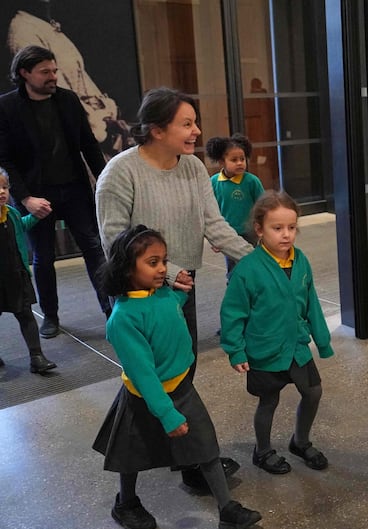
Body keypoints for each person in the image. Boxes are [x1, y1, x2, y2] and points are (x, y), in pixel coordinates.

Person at [95, 87, 253, 491]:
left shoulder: (193, 168)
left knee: (182, 373)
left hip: (181, 288)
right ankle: (127, 491)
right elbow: (115, 241)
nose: (197, 131)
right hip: (140, 297)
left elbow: (213, 224)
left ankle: (188, 463)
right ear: (157, 129)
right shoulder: (120, 172)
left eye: (194, 122)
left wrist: (257, 260)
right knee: (145, 384)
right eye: (187, 123)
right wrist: (169, 272)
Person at [92, 225, 262, 529]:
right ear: (128, 268)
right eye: (153, 262)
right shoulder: (124, 319)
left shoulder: (162, 295)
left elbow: (167, 313)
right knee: (132, 455)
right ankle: (126, 502)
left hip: (182, 387)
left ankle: (227, 509)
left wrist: (180, 295)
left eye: (163, 260)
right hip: (144, 398)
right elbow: (144, 374)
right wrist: (167, 413)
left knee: (206, 447)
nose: (162, 269)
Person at [0, 45, 111, 338]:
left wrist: (104, 181)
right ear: (25, 73)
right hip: (35, 195)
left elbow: (88, 144)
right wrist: (25, 198)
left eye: (54, 70)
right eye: (45, 72)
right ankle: (50, 316)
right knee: (43, 257)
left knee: (93, 248)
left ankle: (110, 310)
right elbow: (4, 159)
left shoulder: (68, 100)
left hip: (74, 189)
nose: (53, 76)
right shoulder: (7, 107)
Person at [220, 190, 333, 475]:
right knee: (269, 400)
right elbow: (232, 313)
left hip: (295, 346)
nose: (286, 235)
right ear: (259, 229)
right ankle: (263, 450)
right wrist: (235, 349)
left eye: (292, 227)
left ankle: (301, 441)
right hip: (264, 349)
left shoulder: (301, 260)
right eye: (277, 228)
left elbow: (311, 301)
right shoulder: (247, 270)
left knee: (313, 391)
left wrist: (322, 339)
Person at [0, 167, 56, 374]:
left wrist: (37, 216)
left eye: (4, 187)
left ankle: (36, 356)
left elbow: (21, 226)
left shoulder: (12, 214)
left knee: (26, 316)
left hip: (17, 275)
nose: (2, 192)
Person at [205, 133, 264, 279]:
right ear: (221, 162)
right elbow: (211, 211)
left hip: (250, 233)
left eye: (242, 159)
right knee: (233, 270)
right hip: (227, 235)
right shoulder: (213, 182)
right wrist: (215, 238)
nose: (240, 163)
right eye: (234, 160)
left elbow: (263, 205)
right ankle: (235, 294)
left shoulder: (251, 181)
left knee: (252, 265)